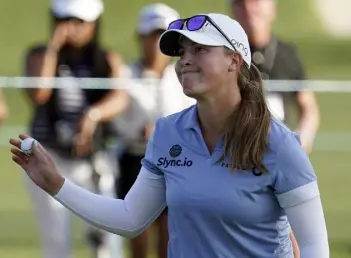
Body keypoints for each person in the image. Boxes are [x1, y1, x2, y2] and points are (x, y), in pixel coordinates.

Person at [11, 13, 329, 258]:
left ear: (235, 60)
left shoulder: (280, 143)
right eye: (182, 52)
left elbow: (314, 244)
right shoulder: (168, 132)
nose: (184, 60)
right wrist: (57, 184)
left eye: (200, 49)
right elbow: (131, 217)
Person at [22, 0, 127, 257]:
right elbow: (39, 92)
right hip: (50, 158)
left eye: (80, 22)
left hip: (92, 162)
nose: (72, 28)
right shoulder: (40, 54)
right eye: (64, 20)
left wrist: (93, 115)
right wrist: (54, 46)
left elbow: (121, 97)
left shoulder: (106, 58)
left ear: (94, 23)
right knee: (57, 239)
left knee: (105, 239)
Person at [115, 4, 195, 258]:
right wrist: (137, 132)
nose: (156, 43)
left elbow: (193, 117)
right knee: (136, 229)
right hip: (134, 159)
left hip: (175, 161)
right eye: (152, 35)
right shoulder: (126, 74)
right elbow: (116, 119)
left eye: (162, 36)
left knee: (169, 232)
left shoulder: (184, 76)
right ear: (141, 37)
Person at [230, 0, 320, 154]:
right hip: (235, 151)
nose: (249, 9)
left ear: (272, 9)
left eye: (256, 3)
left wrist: (300, 143)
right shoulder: (226, 54)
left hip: (279, 151)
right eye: (242, 3)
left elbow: (308, 109)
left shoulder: (288, 54)